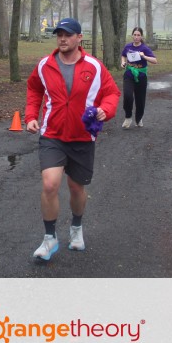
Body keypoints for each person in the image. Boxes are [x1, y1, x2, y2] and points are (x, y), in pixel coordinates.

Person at [25, 17, 120, 259]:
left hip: (82, 136)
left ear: (79, 38)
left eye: (68, 35)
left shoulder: (94, 66)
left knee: (76, 187)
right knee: (49, 184)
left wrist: (105, 110)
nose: (62, 39)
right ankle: (49, 239)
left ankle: (76, 228)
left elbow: (111, 93)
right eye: (59, 35)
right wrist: (31, 116)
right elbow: (34, 88)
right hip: (52, 134)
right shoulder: (45, 65)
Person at [120, 27, 157, 128]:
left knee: (140, 100)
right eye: (135, 35)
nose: (136, 37)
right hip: (129, 74)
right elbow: (123, 55)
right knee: (127, 95)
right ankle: (128, 117)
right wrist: (123, 62)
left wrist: (144, 56)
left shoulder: (144, 48)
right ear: (132, 35)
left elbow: (155, 60)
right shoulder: (128, 46)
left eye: (138, 35)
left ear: (141, 37)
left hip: (141, 76)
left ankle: (138, 118)